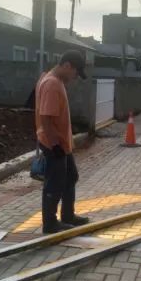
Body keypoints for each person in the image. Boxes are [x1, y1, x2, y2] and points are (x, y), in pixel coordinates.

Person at [35, 50, 89, 234]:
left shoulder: (55, 80)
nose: (74, 77)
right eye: (75, 72)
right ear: (67, 66)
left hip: (61, 143)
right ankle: (50, 223)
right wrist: (55, 145)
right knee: (55, 183)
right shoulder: (51, 84)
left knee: (70, 176)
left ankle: (68, 215)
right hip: (54, 144)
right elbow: (46, 118)